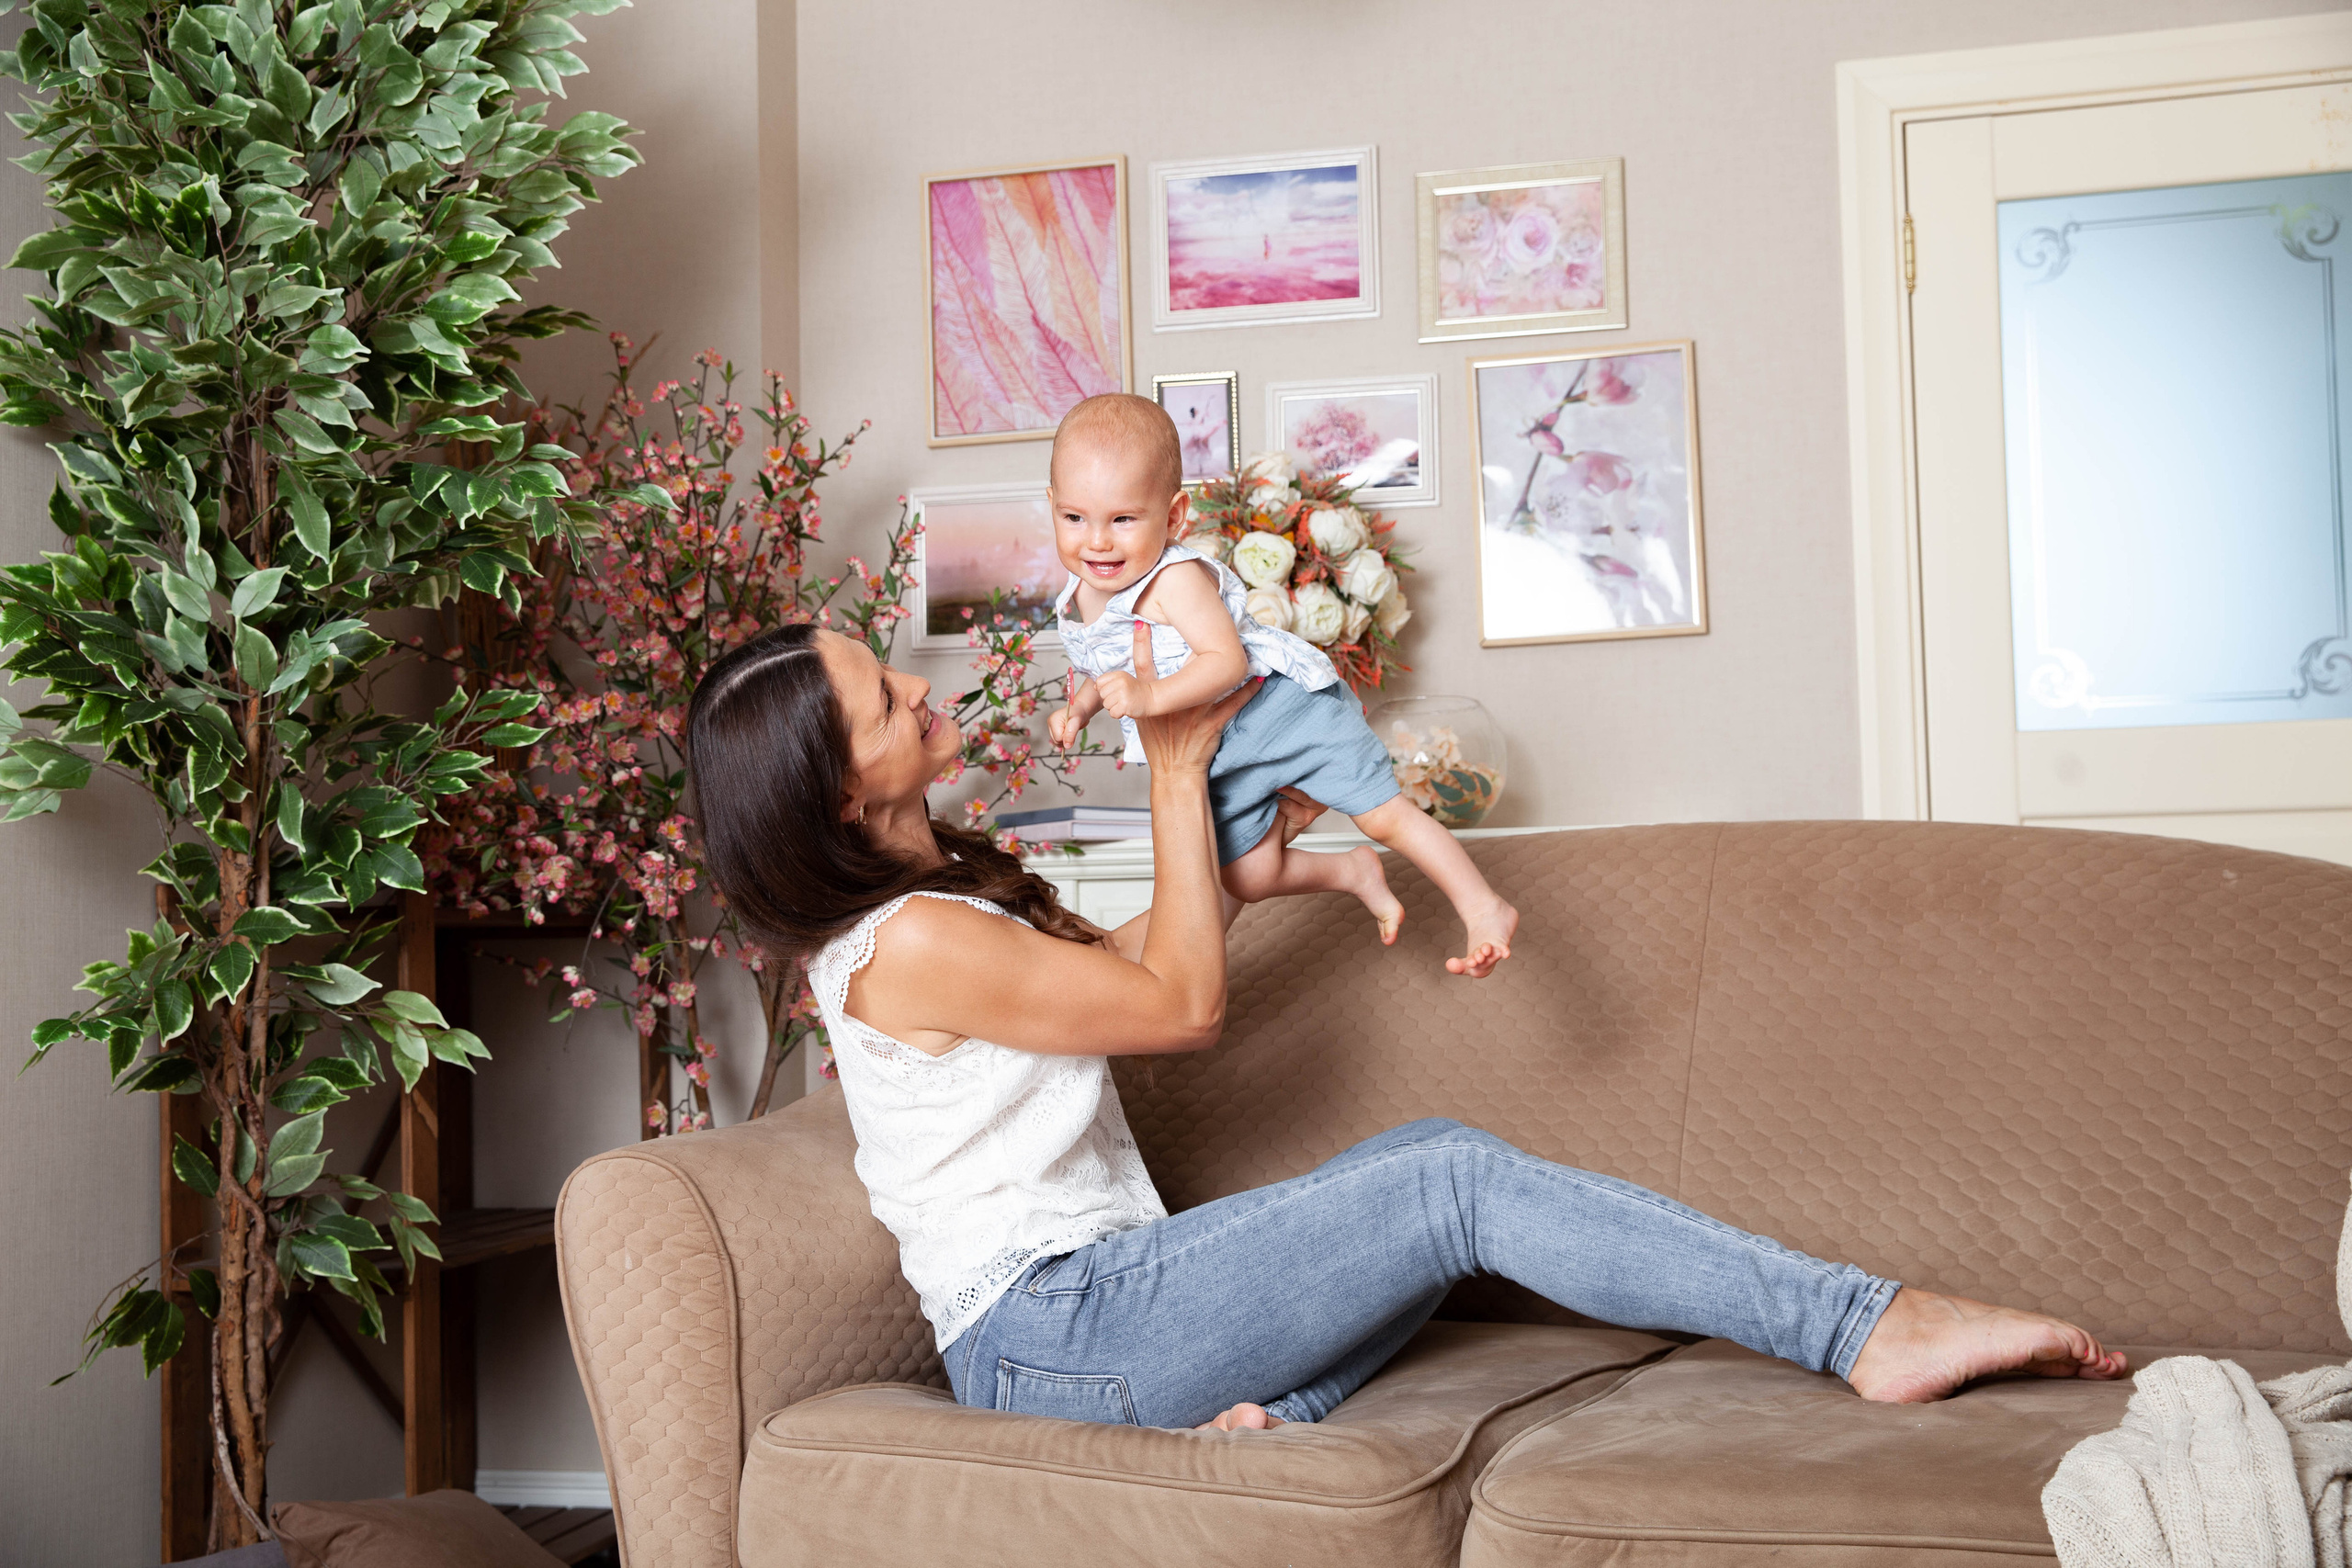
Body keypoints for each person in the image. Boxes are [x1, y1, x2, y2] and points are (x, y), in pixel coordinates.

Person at [684, 616, 2130, 1434]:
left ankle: (1259, 1423)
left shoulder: (932, 912)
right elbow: (1176, 1008)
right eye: (885, 695)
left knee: (1429, 1156)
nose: (917, 684)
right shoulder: (908, 939)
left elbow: (1116, 974)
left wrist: (1249, 861)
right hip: (1056, 1334)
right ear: (838, 793)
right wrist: (1180, 764)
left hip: (1103, 1309)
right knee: (1448, 1186)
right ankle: (1866, 1324)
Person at [1046, 392, 1517, 977]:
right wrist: (1081, 708)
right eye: (1074, 518)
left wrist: (1147, 700)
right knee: (1244, 875)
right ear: (1052, 507)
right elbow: (1103, 666)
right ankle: (1352, 872)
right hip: (1214, 757)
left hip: (1283, 712)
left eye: (1122, 519)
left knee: (1383, 815)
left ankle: (1483, 905)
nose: (1097, 541)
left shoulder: (1176, 580)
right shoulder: (1079, 596)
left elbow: (1224, 662)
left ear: (1172, 518)